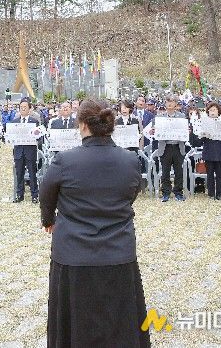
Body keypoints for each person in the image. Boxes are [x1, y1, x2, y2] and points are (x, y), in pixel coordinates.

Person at [39, 99, 149, 348]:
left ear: (82, 125)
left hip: (74, 252)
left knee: (74, 321)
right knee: (119, 319)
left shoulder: (65, 161)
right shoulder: (130, 160)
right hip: (117, 250)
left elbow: (46, 195)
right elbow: (131, 194)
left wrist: (49, 220)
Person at [153, 95, 187, 202]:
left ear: (176, 104)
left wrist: (187, 132)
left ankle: (178, 193)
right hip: (165, 147)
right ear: (165, 103)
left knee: (179, 171)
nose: (170, 104)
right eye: (168, 101)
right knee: (165, 171)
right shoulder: (160, 117)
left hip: (178, 146)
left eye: (172, 101)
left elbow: (185, 131)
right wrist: (154, 131)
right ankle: (166, 193)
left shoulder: (182, 117)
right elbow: (155, 132)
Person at [13, 99, 40, 203]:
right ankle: (19, 195)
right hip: (18, 151)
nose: (23, 109)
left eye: (25, 107)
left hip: (30, 151)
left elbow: (39, 137)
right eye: (21, 107)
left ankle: (34, 195)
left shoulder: (34, 121)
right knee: (19, 173)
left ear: (29, 109)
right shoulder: (15, 122)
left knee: (32, 173)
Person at [201, 102, 221, 201]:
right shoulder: (204, 123)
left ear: (218, 111)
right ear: (208, 112)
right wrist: (202, 134)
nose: (213, 112)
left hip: (220, 150)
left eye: (215, 110)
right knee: (210, 174)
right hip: (208, 150)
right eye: (211, 110)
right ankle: (211, 194)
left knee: (220, 174)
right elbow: (200, 140)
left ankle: (219, 194)